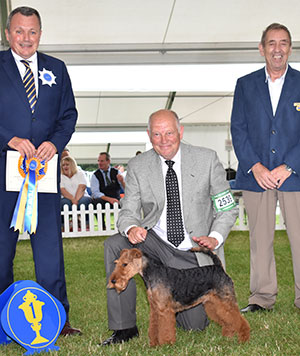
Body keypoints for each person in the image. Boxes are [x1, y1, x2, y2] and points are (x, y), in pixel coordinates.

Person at [101, 109, 238, 346]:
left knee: (194, 326)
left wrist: (215, 238)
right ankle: (124, 328)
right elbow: (128, 211)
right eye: (156, 134)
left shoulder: (207, 159)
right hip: (154, 242)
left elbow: (227, 207)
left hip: (193, 250)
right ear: (149, 135)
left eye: (169, 133)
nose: (163, 140)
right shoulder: (138, 165)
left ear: (180, 132)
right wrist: (132, 227)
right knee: (115, 245)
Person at [0, 6, 80, 335]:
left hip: (43, 174)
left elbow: (69, 115)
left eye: (32, 32)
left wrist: (54, 143)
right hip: (4, 171)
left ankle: (59, 320)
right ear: (8, 34)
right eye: (19, 31)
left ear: (40, 35)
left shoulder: (57, 69)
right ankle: (2, 322)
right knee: (2, 250)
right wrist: (10, 139)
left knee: (49, 249)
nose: (26, 38)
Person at [231, 23, 300, 313]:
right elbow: (238, 129)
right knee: (260, 240)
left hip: (295, 176)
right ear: (262, 49)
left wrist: (290, 166)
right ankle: (261, 297)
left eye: (283, 43)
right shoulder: (245, 85)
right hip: (256, 176)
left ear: (290, 48)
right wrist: (256, 166)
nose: (277, 49)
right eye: (271, 43)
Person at [90, 152, 125, 227]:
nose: (99, 163)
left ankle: (123, 224)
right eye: (98, 161)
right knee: (96, 202)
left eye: (102, 161)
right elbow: (95, 193)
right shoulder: (95, 175)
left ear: (108, 161)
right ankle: (102, 225)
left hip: (116, 197)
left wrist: (122, 181)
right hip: (103, 198)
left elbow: (126, 189)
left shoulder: (116, 172)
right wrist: (109, 199)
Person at [60, 156, 92, 226]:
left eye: (67, 165)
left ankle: (85, 223)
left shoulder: (80, 173)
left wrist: (76, 200)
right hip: (67, 198)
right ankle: (65, 225)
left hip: (81, 196)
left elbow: (82, 187)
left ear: (72, 165)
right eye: (63, 165)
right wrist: (72, 199)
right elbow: (62, 190)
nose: (65, 167)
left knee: (83, 202)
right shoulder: (61, 176)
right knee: (64, 203)